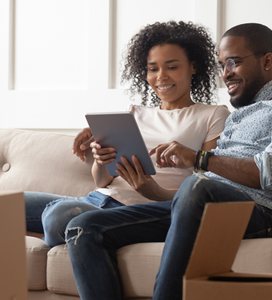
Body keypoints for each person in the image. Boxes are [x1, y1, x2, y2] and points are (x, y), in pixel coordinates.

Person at [65, 23, 272, 300]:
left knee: (198, 185)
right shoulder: (239, 115)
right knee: (83, 228)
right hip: (204, 205)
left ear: (267, 61)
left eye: (234, 62)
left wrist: (198, 159)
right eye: (221, 65)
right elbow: (200, 194)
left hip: (264, 213)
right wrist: (152, 191)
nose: (225, 73)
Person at [23, 21, 230, 247]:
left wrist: (156, 191)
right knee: (1, 202)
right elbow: (102, 180)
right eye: (153, 68)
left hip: (135, 211)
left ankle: (45, 236)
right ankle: (56, 234)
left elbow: (208, 187)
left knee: (58, 215)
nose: (161, 76)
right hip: (97, 200)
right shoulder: (134, 113)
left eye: (171, 67)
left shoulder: (213, 115)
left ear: (193, 66)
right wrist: (102, 160)